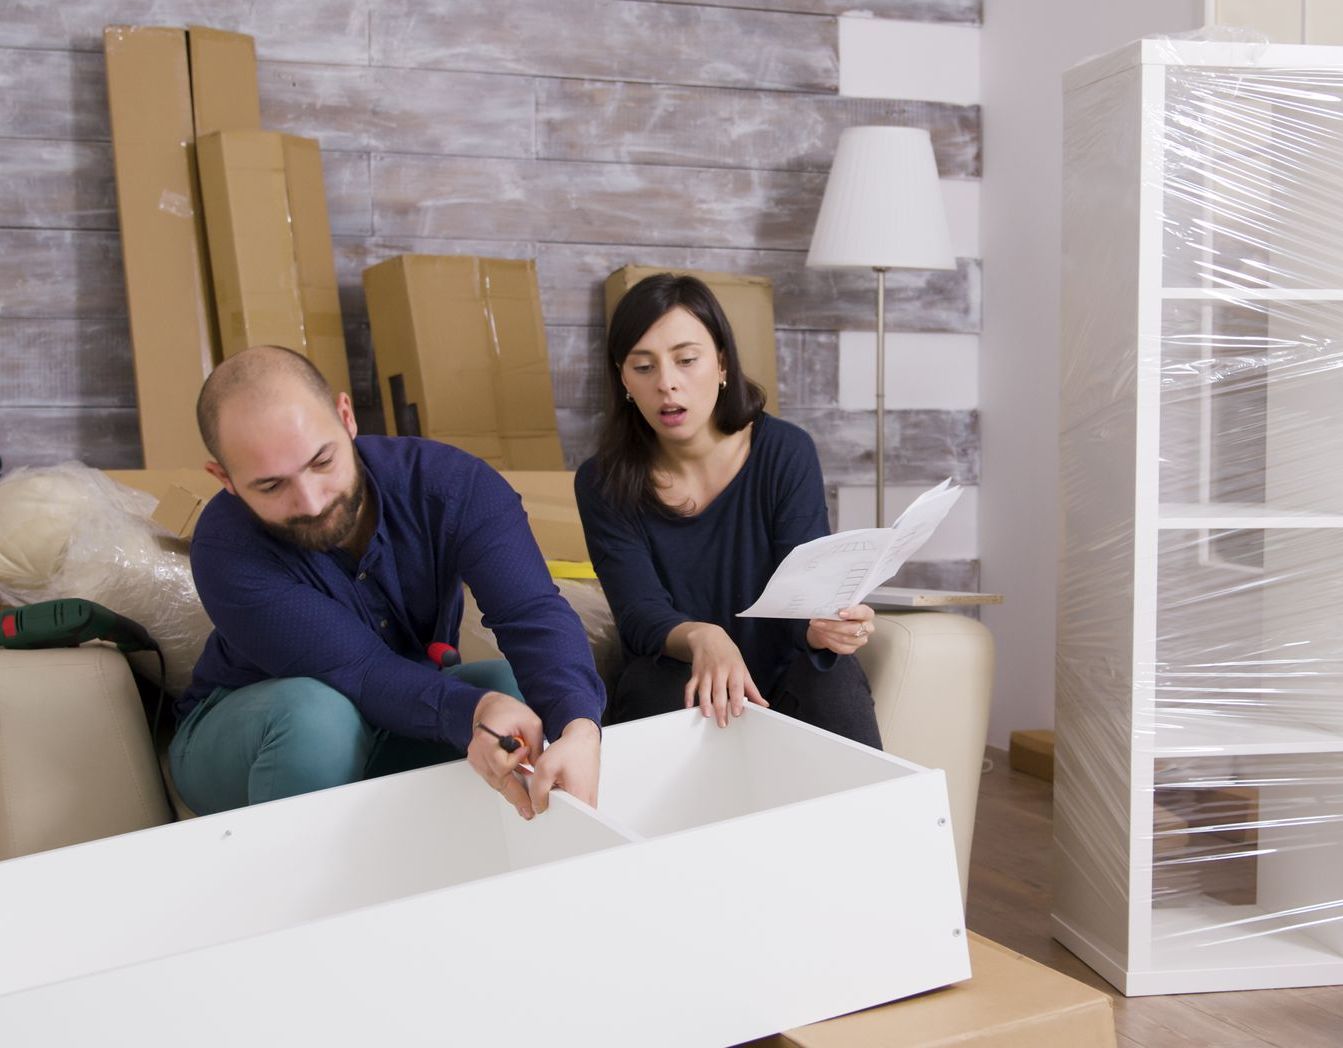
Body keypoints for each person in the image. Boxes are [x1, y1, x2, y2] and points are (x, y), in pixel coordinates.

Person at [170, 345, 604, 820]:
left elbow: (531, 611)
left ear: (346, 417)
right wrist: (472, 712)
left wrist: (579, 728)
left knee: (516, 698)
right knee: (318, 717)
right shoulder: (226, 546)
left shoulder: (451, 485)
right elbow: (359, 670)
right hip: (255, 737)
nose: (312, 502)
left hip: (399, 711)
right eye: (271, 486)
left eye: (322, 462)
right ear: (225, 478)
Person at [575, 273, 882, 747]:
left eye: (686, 360)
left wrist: (828, 630)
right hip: (676, 677)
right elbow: (639, 612)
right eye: (643, 367)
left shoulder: (785, 451)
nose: (667, 384)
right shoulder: (602, 481)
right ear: (623, 380)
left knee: (833, 679)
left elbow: (805, 588)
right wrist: (704, 637)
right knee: (657, 685)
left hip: (780, 679)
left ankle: (873, 821)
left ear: (721, 364)